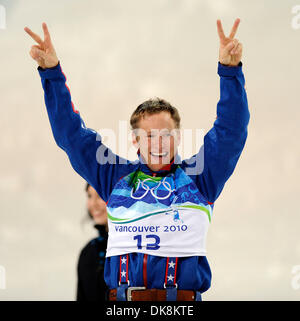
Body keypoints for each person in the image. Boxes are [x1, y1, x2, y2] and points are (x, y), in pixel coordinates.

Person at [24, 18, 250, 301]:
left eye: (166, 134)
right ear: (135, 141)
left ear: (178, 137)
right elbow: (71, 135)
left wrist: (229, 72)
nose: (158, 143)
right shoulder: (114, 177)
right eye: (149, 136)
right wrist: (50, 72)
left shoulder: (199, 179)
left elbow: (231, 132)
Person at [77, 183, 108, 301]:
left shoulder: (131, 248)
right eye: (89, 196)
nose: (93, 204)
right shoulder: (88, 251)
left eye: (100, 195)